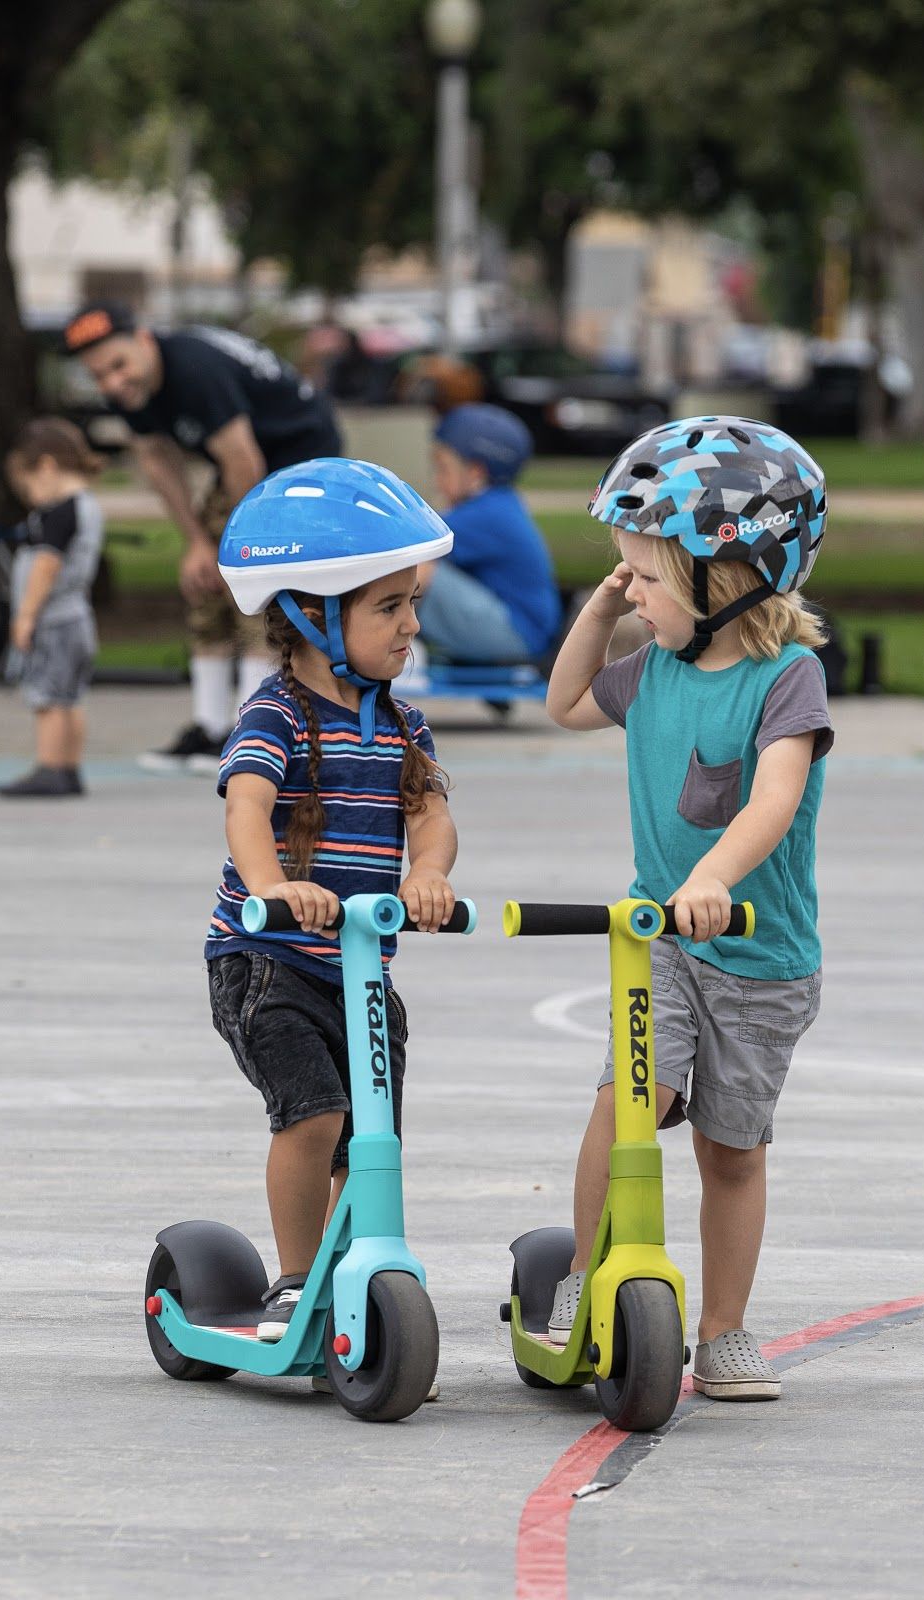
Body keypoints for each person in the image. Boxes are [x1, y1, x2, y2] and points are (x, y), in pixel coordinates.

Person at [544, 415, 833, 1401]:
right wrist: (599, 610)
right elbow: (564, 702)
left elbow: (773, 798)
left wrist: (711, 875)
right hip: (659, 945)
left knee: (730, 1150)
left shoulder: (784, 679)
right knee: (627, 1103)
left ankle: (722, 1333)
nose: (633, 594)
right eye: (622, 574)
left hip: (761, 959)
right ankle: (583, 1278)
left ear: (732, 575)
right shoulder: (654, 666)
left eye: (647, 577)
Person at [204, 457, 458, 1346]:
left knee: (371, 1138)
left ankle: (358, 1267)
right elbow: (247, 808)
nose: (410, 625)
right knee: (312, 1115)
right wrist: (273, 890)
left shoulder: (401, 723)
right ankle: (296, 1277)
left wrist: (428, 875)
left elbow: (429, 817)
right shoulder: (275, 714)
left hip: (362, 970)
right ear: (313, 615)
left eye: (411, 604)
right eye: (388, 607)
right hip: (266, 960)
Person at [62, 301, 342, 770]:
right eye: (98, 376)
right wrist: (196, 541)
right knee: (205, 587)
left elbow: (243, 460)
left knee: (257, 594)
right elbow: (155, 458)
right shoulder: (130, 389)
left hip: (298, 463)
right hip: (243, 467)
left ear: (145, 340)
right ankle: (211, 726)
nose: (112, 383)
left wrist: (236, 548)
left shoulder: (194, 372)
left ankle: (254, 732)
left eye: (118, 365)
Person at [0, 418, 104, 798]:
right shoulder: (87, 506)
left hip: (54, 620)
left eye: (29, 487)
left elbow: (46, 566)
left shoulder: (60, 512)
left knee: (47, 696)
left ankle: (51, 767)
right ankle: (68, 767)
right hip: (79, 620)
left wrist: (25, 616)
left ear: (47, 466)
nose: (31, 497)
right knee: (69, 697)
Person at [413, 403, 562, 671]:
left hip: (518, 634)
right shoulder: (497, 504)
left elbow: (410, 544)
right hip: (520, 629)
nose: (436, 480)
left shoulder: (487, 513)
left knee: (418, 570)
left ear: (475, 472)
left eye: (443, 468)